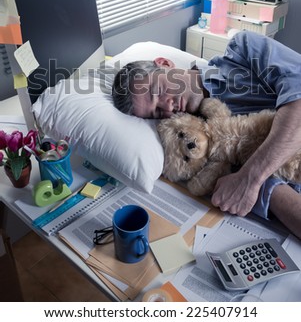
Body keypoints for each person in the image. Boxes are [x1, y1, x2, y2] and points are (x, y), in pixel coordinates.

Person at [112, 31, 301, 239]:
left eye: (158, 92)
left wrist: (251, 177)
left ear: (165, 63)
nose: (167, 108)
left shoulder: (244, 49)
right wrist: (258, 184)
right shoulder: (197, 145)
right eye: (157, 112)